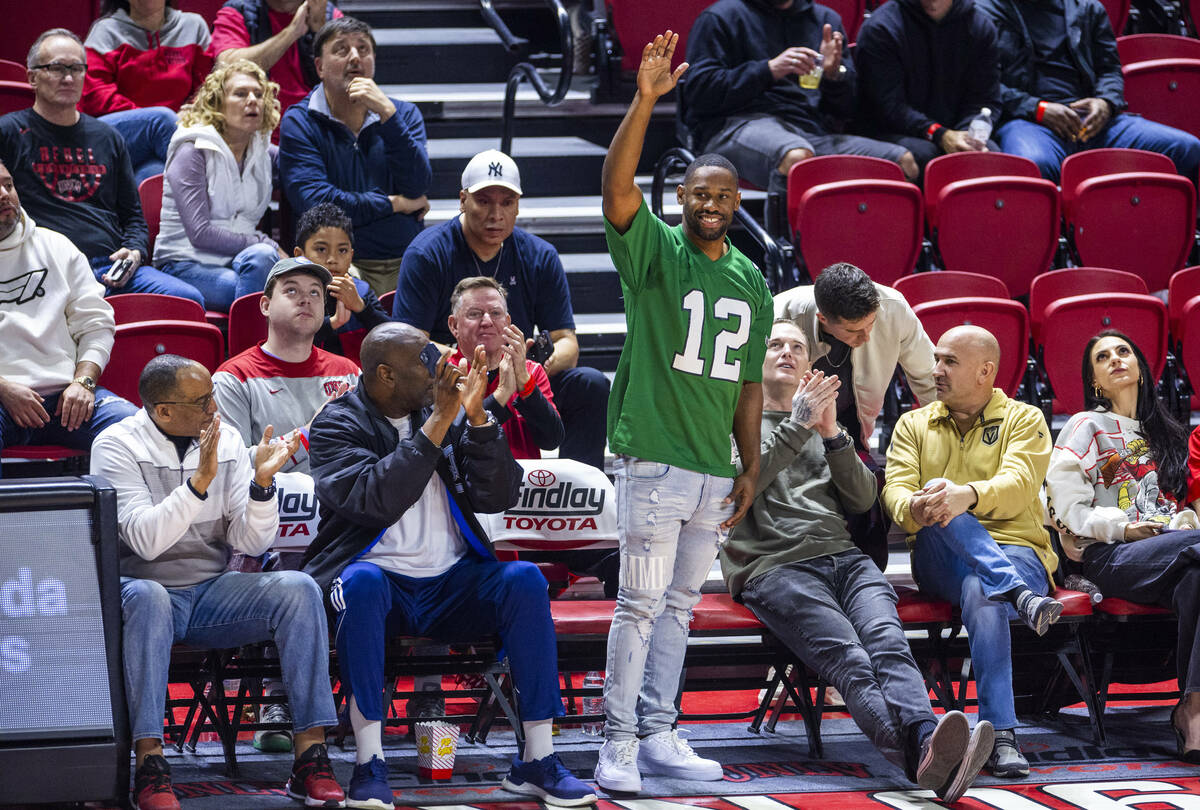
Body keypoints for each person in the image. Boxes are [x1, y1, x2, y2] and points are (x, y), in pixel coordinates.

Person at [299, 322, 597, 808]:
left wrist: (479, 421)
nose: (443, 367)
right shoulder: (337, 423)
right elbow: (377, 499)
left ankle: (537, 760)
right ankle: (367, 762)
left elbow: (499, 494)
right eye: (425, 360)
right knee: (362, 586)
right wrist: (441, 420)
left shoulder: (445, 410)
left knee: (523, 580)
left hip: (451, 583)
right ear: (385, 374)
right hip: (376, 580)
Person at [595, 31, 773, 793]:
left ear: (737, 203)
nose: (711, 204)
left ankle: (661, 732)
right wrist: (644, 100)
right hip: (654, 459)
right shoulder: (655, 252)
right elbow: (614, 189)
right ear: (682, 198)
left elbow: (750, 385)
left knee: (679, 608)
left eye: (723, 195)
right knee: (637, 605)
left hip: (712, 470)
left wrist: (751, 463)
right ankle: (616, 744)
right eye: (700, 193)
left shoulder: (752, 281)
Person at [721, 318, 993, 802]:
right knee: (850, 658)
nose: (786, 351)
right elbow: (737, 493)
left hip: (845, 559)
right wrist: (796, 425)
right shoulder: (730, 420)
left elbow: (864, 498)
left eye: (797, 347)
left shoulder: (825, 421)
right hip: (773, 566)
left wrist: (831, 435)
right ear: (753, 361)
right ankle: (924, 753)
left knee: (889, 644)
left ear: (810, 364)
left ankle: (926, 746)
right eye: (775, 344)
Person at [89, 354, 343, 810]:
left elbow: (249, 539)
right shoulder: (115, 446)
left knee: (299, 589)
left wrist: (263, 487)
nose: (214, 410)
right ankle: (149, 762)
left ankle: (310, 756)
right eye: (202, 401)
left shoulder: (225, 439)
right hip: (141, 592)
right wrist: (199, 482)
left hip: (211, 593)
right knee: (149, 597)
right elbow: (146, 542)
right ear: (162, 410)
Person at [881, 324, 1063, 779]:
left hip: (1018, 548)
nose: (935, 370)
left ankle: (1000, 735)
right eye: (936, 359)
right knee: (939, 503)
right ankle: (1018, 594)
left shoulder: (1024, 418)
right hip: (939, 553)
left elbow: (1020, 487)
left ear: (985, 371)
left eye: (949, 362)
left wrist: (969, 495)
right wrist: (917, 507)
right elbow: (894, 492)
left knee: (982, 591)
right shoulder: (913, 422)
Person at [392, 149, 610, 470]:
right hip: (452, 377)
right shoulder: (427, 253)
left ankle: (578, 496)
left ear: (518, 206)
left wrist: (525, 368)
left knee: (590, 384)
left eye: (506, 203)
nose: (496, 214)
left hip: (520, 374)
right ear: (462, 200)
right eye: (484, 201)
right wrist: (479, 365)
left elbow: (568, 343)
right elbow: (409, 342)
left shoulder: (540, 255)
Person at [1045, 329, 1200, 761]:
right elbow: (1059, 506)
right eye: (1102, 357)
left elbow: (1171, 505)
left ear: (1141, 368)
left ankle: (1193, 708)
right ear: (1095, 380)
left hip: (1172, 551)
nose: (1115, 358)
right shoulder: (1086, 426)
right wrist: (1121, 530)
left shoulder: (1165, 434)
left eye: (1124, 351)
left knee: (1197, 580)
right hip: (1108, 556)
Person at [0, 29, 204, 305]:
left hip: (110, 267)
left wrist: (133, 252)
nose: (69, 77)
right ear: (32, 77)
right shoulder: (9, 132)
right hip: (46, 268)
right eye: (57, 68)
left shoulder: (108, 137)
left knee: (188, 301)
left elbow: (132, 216)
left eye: (77, 68)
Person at [679, 0, 919, 199]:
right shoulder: (721, 17)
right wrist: (769, 70)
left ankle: (872, 250)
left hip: (811, 130)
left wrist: (834, 76)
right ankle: (789, 254)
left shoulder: (825, 21)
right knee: (797, 156)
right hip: (735, 126)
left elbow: (848, 110)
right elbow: (700, 92)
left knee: (903, 162)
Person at [0, 158, 137, 470]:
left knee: (140, 432)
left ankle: (126, 520)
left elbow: (96, 325)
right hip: (2, 398)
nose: (4, 194)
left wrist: (84, 383)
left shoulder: (56, 246)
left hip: (66, 397)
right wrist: (4, 389)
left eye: (8, 184)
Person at [279, 16, 431, 297]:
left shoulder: (402, 115)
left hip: (405, 258)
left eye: (363, 49)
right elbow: (317, 204)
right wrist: (393, 204)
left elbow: (417, 185)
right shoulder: (300, 121)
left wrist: (389, 117)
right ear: (319, 67)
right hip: (337, 264)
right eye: (341, 49)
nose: (354, 57)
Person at [976, 0, 1200, 184]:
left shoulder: (1087, 7)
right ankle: (1052, 233)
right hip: (1029, 121)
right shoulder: (985, 12)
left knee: (1186, 148)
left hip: (1093, 123)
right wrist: (1038, 108)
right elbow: (984, 86)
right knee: (1034, 163)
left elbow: (1110, 70)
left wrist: (1105, 103)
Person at [153, 59, 282, 312]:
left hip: (238, 260)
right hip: (184, 263)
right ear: (217, 103)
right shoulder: (192, 150)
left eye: (259, 94)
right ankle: (250, 349)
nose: (253, 100)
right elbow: (200, 233)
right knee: (269, 297)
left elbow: (303, 168)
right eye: (241, 94)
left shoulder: (262, 150)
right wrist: (268, 242)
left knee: (264, 262)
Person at [213, 257, 359, 477]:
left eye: (314, 293)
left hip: (342, 505)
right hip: (269, 507)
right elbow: (229, 467)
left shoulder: (349, 373)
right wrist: (307, 435)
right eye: (291, 290)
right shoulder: (232, 379)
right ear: (266, 306)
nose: (305, 300)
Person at [774, 263, 936, 455]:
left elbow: (930, 378)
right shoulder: (780, 313)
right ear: (823, 318)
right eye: (853, 330)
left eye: (871, 324)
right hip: (785, 434)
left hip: (852, 433)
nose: (866, 337)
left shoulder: (894, 309)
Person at [854, 0, 1002, 172]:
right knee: (928, 156)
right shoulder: (882, 27)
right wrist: (939, 134)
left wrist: (968, 137)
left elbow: (984, 97)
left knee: (989, 157)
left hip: (956, 128)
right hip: (893, 131)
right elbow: (888, 107)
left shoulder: (979, 26)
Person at [82, 0, 213, 183]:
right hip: (115, 133)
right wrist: (152, 119)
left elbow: (209, 86)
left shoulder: (193, 26)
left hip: (172, 133)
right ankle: (220, 188)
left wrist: (192, 111)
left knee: (154, 175)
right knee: (160, 121)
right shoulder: (106, 30)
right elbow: (95, 95)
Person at [445, 276, 563, 459]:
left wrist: (525, 385)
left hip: (525, 485)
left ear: (507, 322)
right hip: (467, 484)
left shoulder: (530, 371)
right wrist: (501, 395)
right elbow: (452, 443)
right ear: (454, 325)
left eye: (495, 313)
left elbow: (551, 440)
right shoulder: (445, 373)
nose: (487, 321)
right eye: (475, 314)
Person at [211, 0, 341, 126]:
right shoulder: (238, 11)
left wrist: (321, 33)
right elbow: (226, 68)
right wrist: (292, 32)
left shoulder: (328, 15)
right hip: (254, 131)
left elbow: (346, 83)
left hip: (313, 129)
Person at [294, 202, 392, 358]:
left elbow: (393, 339)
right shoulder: (290, 295)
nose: (333, 259)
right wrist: (333, 323)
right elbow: (287, 342)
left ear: (351, 255)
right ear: (300, 255)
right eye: (321, 249)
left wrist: (360, 307)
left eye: (342, 250)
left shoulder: (360, 291)